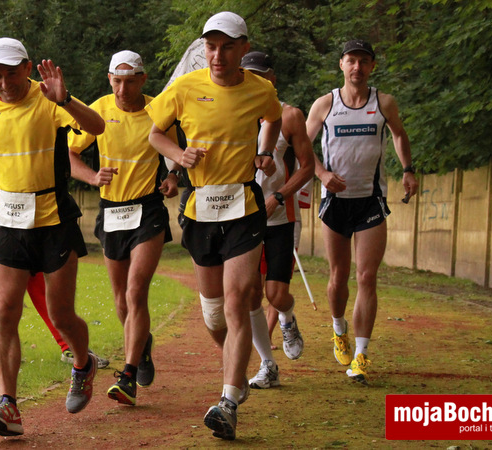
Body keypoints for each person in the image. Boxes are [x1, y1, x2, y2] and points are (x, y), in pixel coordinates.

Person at [0, 37, 105, 437]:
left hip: (53, 222)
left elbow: (97, 127)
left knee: (61, 315)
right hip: (7, 222)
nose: (4, 83)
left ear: (26, 68)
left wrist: (65, 99)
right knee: (4, 311)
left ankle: (83, 364)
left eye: (11, 74)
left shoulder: (48, 98)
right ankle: (8, 405)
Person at [147, 12, 282, 440]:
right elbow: (155, 134)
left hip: (243, 204)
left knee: (237, 300)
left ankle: (227, 402)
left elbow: (273, 118)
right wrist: (178, 155)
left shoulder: (260, 89)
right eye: (210, 47)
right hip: (201, 207)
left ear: (244, 49)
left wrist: (264, 151)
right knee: (213, 315)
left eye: (226, 47)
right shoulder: (185, 88)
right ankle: (237, 371)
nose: (217, 55)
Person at [305, 39, 418, 385]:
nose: (357, 67)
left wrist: (408, 169)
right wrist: (322, 174)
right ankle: (338, 329)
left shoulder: (384, 103)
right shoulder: (325, 105)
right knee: (339, 276)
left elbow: (399, 135)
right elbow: (301, 145)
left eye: (364, 61)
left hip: (370, 200)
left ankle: (361, 354)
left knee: (367, 277)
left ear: (372, 66)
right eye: (351, 60)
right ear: (341, 64)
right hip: (335, 202)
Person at [68, 50, 178, 406]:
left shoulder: (159, 110)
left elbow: (176, 153)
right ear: (109, 79)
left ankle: (128, 376)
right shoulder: (97, 110)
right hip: (112, 210)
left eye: (130, 82)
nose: (122, 89)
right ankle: (142, 346)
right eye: (116, 81)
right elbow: (68, 155)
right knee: (120, 299)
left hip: (148, 209)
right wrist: (92, 176)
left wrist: (174, 177)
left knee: (135, 291)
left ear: (143, 80)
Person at [0, 157, 110, 369]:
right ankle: (2, 350)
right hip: (2, 225)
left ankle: (68, 346)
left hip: (35, 223)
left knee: (41, 289)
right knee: (2, 297)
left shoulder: (35, 147)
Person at [239, 51, 315, 389]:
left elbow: (308, 167)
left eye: (261, 74)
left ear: (272, 79)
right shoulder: (232, 114)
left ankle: (287, 317)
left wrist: (279, 196)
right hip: (244, 219)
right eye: (248, 74)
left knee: (276, 294)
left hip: (281, 217)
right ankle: (267, 365)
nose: (255, 80)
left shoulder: (290, 116)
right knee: (251, 295)